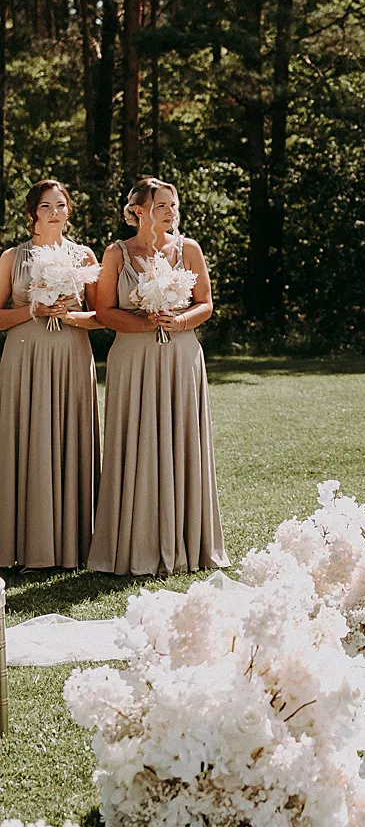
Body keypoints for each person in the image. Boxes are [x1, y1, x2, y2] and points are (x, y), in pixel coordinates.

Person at [88, 177, 226, 577]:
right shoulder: (116, 253)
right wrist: (146, 323)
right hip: (133, 357)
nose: (170, 211)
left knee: (181, 438)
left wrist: (178, 321)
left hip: (181, 357)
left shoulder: (190, 249)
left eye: (172, 204)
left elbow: (205, 304)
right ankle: (135, 541)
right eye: (161, 204)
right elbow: (104, 311)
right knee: (137, 439)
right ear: (137, 211)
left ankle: (187, 541)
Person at [0, 179, 101, 569]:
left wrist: (69, 315)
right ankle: (21, 544)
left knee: (68, 435)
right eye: (47, 206)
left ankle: (73, 544)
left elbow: (101, 317)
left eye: (62, 205)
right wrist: (32, 311)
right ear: (32, 214)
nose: (56, 212)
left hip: (72, 356)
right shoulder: (12, 257)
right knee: (27, 438)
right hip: (23, 358)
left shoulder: (85, 256)